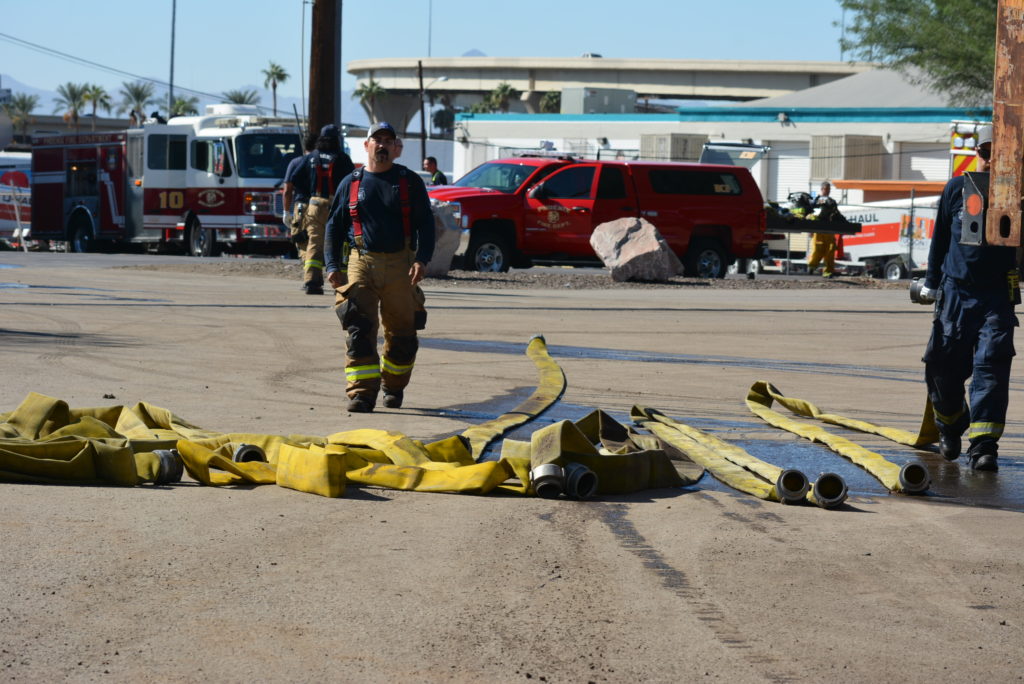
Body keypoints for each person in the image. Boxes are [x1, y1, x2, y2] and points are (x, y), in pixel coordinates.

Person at [917, 125, 1017, 471]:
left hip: (996, 295)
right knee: (942, 365)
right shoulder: (956, 189)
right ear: (977, 153)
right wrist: (931, 282)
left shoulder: (1016, 195)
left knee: (992, 366)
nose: (991, 160)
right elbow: (940, 239)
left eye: (998, 155)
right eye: (986, 153)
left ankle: (984, 446)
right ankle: (950, 422)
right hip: (955, 293)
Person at [324, 122, 435, 413]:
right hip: (362, 262)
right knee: (359, 329)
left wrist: (422, 259)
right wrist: (332, 264)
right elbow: (334, 226)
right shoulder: (351, 183)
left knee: (403, 335)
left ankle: (393, 387)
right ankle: (361, 393)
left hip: (401, 265)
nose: (382, 145)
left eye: (388, 140)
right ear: (367, 145)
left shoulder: (409, 181)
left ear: (395, 147)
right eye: (377, 140)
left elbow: (426, 223)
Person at [293, 124, 355, 294]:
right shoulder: (343, 159)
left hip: (315, 205)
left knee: (314, 242)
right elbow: (353, 182)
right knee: (340, 243)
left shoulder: (311, 157)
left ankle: (312, 282)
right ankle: (340, 284)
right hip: (336, 206)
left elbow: (296, 178)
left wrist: (308, 195)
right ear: (337, 140)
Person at [281, 129, 319, 250]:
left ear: (304, 145)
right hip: (320, 207)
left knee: (302, 243)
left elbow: (287, 191)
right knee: (317, 241)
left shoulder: (295, 163)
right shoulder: (322, 162)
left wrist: (286, 211)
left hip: (302, 206)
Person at [806, 181, 837, 278]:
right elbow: (810, 214)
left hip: (829, 229)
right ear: (822, 189)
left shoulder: (832, 201)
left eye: (829, 189)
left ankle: (828, 271)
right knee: (817, 249)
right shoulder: (815, 201)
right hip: (818, 229)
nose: (828, 191)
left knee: (830, 250)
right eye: (826, 189)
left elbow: (836, 214)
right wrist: (810, 230)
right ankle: (812, 266)